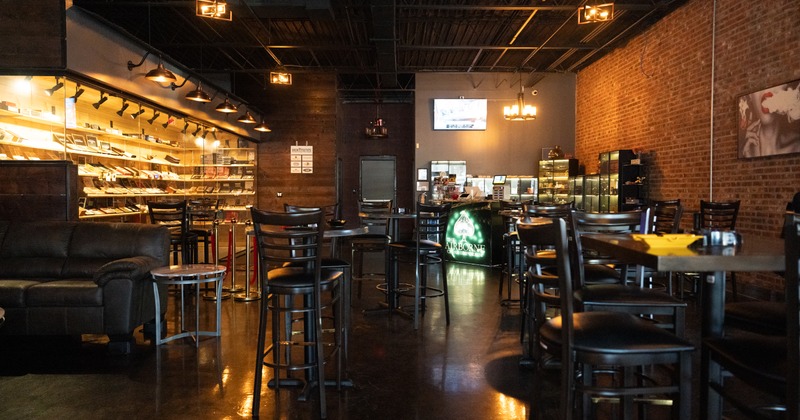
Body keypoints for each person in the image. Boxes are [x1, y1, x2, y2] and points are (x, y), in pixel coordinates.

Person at [739, 80, 800, 158]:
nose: (766, 87)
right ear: (750, 96)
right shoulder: (744, 152)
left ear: (786, 88)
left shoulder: (797, 147)